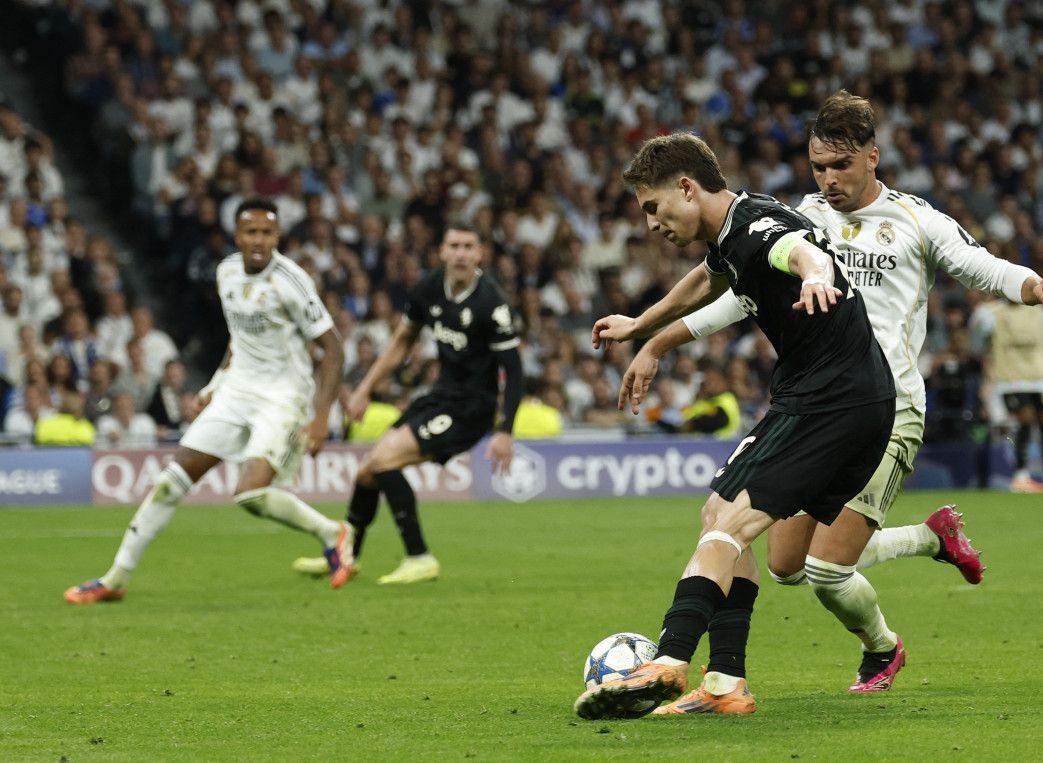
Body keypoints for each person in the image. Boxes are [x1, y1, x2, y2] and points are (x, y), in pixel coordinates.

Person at [607, 93, 1043, 707]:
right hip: (817, 395)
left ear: (872, 158)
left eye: (841, 166)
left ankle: (880, 647)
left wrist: (1035, 285)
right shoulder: (801, 215)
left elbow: (978, 265)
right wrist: (654, 337)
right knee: (784, 562)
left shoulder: (914, 220)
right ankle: (929, 538)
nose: (828, 179)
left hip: (887, 404)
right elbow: (736, 289)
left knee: (826, 569)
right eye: (818, 166)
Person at [575, 133, 897, 720]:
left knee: (727, 525)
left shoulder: (756, 229)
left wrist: (817, 275)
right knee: (719, 513)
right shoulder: (733, 231)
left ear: (686, 187)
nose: (651, 224)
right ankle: (725, 683)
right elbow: (707, 279)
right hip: (829, 398)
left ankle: (669, 660)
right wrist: (642, 327)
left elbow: (800, 252)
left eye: (653, 207)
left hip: (830, 403)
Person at [64, 199, 355, 604]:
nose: (258, 240)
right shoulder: (227, 272)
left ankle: (332, 531)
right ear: (237, 236)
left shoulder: (291, 281)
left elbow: (334, 348)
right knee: (170, 482)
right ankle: (115, 578)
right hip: (237, 391)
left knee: (249, 495)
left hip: (282, 397)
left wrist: (321, 417)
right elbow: (240, 338)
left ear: (277, 236)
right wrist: (216, 384)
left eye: (266, 233)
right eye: (250, 232)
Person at [291, 224, 522, 585]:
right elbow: (402, 340)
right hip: (440, 398)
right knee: (366, 471)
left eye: (468, 247)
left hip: (471, 409)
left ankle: (419, 556)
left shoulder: (492, 303)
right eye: (454, 246)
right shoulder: (431, 287)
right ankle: (344, 556)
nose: (461, 254)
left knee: (384, 460)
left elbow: (515, 371)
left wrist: (505, 430)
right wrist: (365, 388)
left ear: (480, 253)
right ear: (442, 251)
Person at [975, 298, 1043, 492]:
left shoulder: (1038, 311)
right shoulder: (994, 311)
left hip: (1039, 377)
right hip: (1011, 379)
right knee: (1025, 421)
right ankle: (1021, 476)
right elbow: (978, 330)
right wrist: (984, 307)